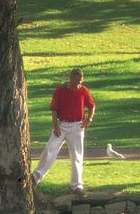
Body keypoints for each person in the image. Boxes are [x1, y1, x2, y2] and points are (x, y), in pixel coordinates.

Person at [32, 68, 96, 196]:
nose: (78, 83)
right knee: (50, 149)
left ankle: (77, 185)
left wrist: (89, 119)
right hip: (62, 124)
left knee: (77, 155)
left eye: (80, 80)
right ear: (70, 78)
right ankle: (35, 177)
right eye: (76, 80)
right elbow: (54, 110)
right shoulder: (59, 91)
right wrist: (56, 126)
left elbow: (91, 105)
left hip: (77, 126)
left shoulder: (83, 90)